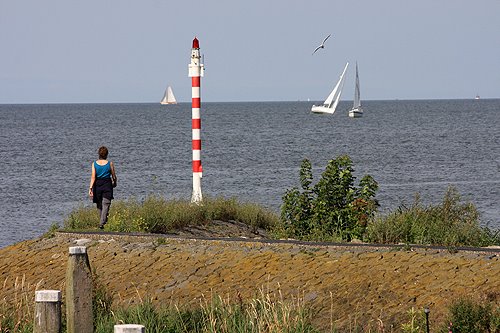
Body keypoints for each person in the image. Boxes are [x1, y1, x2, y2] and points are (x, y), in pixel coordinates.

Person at [88, 146, 117, 229]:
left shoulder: (94, 164)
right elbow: (114, 176)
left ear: (99, 154)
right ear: (106, 154)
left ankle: (102, 222)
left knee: (99, 204)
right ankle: (102, 223)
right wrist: (115, 182)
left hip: (97, 184)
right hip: (107, 183)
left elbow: (93, 177)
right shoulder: (110, 163)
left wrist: (90, 188)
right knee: (106, 203)